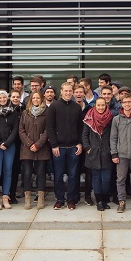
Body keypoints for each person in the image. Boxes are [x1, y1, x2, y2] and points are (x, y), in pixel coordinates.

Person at [47, 82, 84, 210]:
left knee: (73, 175)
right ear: (61, 92)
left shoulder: (77, 107)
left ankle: (71, 199)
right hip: (59, 148)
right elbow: (50, 128)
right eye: (66, 91)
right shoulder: (54, 107)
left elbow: (80, 128)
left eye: (70, 91)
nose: (68, 93)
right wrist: (54, 145)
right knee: (58, 175)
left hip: (74, 147)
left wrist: (80, 143)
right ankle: (60, 199)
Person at [18, 91, 50, 209]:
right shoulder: (25, 113)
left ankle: (40, 198)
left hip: (42, 148)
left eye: (38, 98)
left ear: (41, 99)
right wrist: (30, 143)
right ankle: (27, 199)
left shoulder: (47, 112)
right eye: (34, 98)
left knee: (41, 173)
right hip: (27, 148)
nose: (36, 100)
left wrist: (38, 144)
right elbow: (21, 130)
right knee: (27, 173)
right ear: (31, 100)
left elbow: (48, 130)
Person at [82, 97, 114, 211]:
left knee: (106, 179)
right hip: (93, 153)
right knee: (96, 178)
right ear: (94, 105)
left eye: (103, 105)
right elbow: (85, 135)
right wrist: (87, 148)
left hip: (107, 153)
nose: (100, 107)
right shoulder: (89, 118)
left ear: (106, 106)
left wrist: (112, 149)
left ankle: (104, 199)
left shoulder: (111, 118)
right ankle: (99, 200)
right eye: (98, 105)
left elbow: (114, 135)